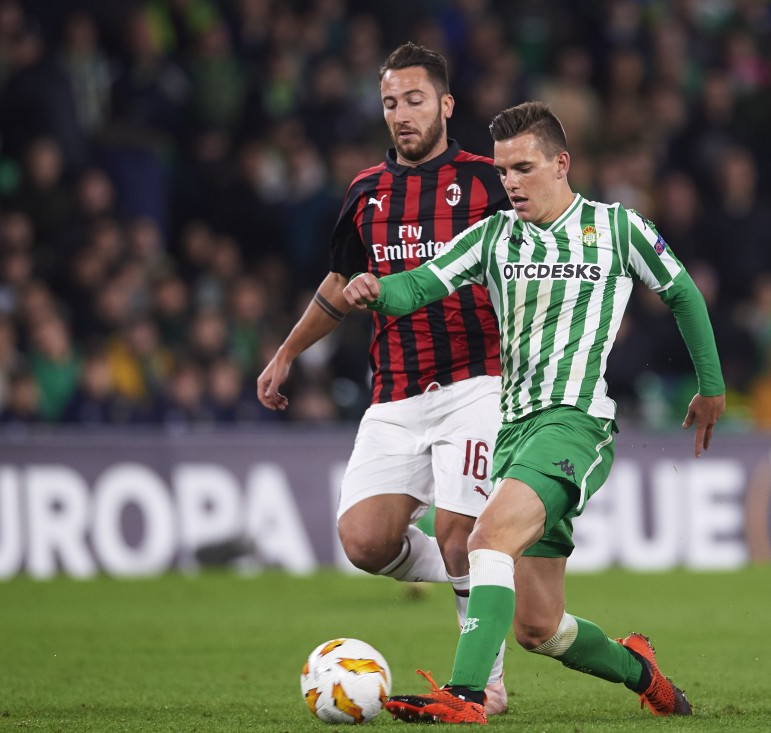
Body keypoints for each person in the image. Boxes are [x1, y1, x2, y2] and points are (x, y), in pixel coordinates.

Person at [344, 100, 725, 724]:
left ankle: (466, 696)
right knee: (539, 628)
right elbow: (420, 285)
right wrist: (375, 289)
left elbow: (681, 291)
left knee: (482, 536)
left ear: (561, 163)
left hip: (576, 423)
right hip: (514, 431)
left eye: (523, 167)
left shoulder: (618, 227)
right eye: (501, 171)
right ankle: (642, 671)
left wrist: (710, 387)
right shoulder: (495, 237)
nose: (511, 182)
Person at [256, 42, 511, 714]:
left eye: (415, 99)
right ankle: (492, 570)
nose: (402, 114)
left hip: (477, 381)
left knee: (461, 526)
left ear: (447, 105)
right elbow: (339, 284)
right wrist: (285, 353)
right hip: (396, 389)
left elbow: (535, 259)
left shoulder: (489, 182)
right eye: (391, 102)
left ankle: (486, 676)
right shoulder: (366, 191)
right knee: (364, 540)